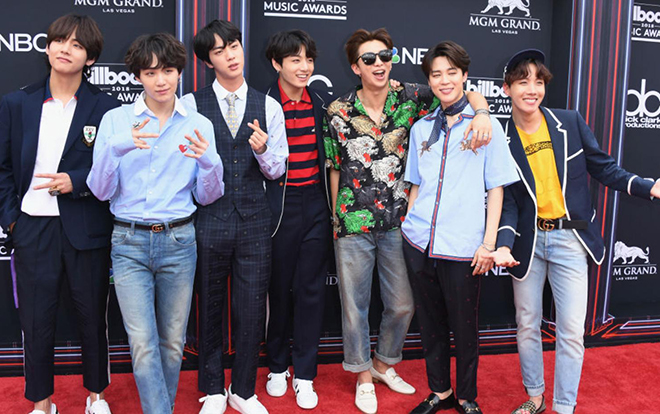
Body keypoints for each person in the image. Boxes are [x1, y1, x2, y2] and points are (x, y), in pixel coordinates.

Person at [323, 28, 493, 414]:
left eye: (386, 56)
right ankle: (363, 377)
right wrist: (336, 216)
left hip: (400, 221)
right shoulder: (337, 110)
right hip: (351, 223)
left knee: (402, 304)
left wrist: (482, 111)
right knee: (354, 307)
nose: (379, 64)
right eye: (369, 59)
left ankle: (383, 364)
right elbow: (334, 166)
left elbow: (461, 91)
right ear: (355, 67)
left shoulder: (412, 96)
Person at [489, 49, 660, 414]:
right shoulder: (499, 138)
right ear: (506, 88)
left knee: (570, 331)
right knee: (527, 324)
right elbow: (509, 202)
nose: (532, 89)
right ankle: (535, 397)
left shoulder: (569, 122)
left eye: (538, 81)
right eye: (522, 81)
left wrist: (647, 186)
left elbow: (604, 168)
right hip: (527, 243)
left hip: (570, 240)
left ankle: (564, 407)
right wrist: (503, 244)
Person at [86, 33, 224, 414]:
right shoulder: (116, 121)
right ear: (137, 77)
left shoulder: (198, 124)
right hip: (128, 242)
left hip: (180, 241)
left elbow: (207, 196)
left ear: (180, 72)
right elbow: (100, 191)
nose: (160, 80)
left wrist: (210, 163)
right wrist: (118, 147)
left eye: (167, 71)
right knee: (143, 345)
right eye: (150, 73)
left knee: (173, 344)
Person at [0, 14, 119, 414]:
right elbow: (2, 167)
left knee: (93, 318)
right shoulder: (17, 102)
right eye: (59, 41)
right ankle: (42, 402)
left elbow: (114, 168)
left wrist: (77, 182)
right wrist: (12, 219)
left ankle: (96, 397)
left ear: (90, 58)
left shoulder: (107, 108)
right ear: (48, 47)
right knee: (36, 322)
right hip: (32, 227)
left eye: (77, 44)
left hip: (87, 228)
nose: (65, 49)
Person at [402, 41, 519, 414]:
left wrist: (488, 244)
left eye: (452, 72)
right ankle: (440, 391)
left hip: (464, 247)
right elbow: (415, 184)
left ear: (465, 75)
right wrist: (410, 223)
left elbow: (496, 188)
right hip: (419, 242)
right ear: (429, 81)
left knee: (465, 327)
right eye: (436, 74)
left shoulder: (486, 126)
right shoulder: (421, 128)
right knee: (430, 324)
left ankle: (467, 396)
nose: (444, 80)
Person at [181, 20, 288, 414]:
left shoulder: (269, 105)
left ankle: (243, 390)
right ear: (207, 61)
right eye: (219, 50)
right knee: (208, 306)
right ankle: (212, 389)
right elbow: (183, 166)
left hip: (255, 221)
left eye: (235, 46)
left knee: (251, 308)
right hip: (207, 218)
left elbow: (277, 171)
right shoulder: (190, 105)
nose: (231, 55)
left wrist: (262, 151)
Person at [261, 30, 332, 410]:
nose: (304, 67)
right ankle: (277, 366)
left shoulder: (321, 103)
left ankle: (304, 373)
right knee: (278, 290)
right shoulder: (262, 104)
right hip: (278, 207)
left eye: (308, 60)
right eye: (295, 60)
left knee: (311, 291)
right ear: (277, 63)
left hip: (316, 204)